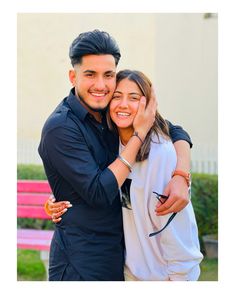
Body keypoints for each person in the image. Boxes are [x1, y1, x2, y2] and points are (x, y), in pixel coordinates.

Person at [39, 29, 193, 281]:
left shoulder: (111, 118)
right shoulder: (61, 127)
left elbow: (175, 130)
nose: (100, 85)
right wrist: (139, 136)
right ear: (72, 77)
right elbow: (100, 192)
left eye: (108, 75)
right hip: (80, 265)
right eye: (90, 74)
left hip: (119, 260)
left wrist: (181, 175)